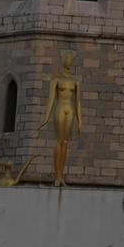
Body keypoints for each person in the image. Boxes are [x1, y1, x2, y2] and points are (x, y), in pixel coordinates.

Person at [36, 53, 84, 186]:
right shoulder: (56, 80)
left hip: (70, 110)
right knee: (58, 141)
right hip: (60, 109)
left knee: (65, 142)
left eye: (70, 59)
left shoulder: (76, 82)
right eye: (67, 58)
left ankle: (61, 175)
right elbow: (51, 100)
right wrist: (46, 118)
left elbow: (77, 102)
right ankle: (57, 175)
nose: (69, 61)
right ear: (63, 61)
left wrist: (80, 122)